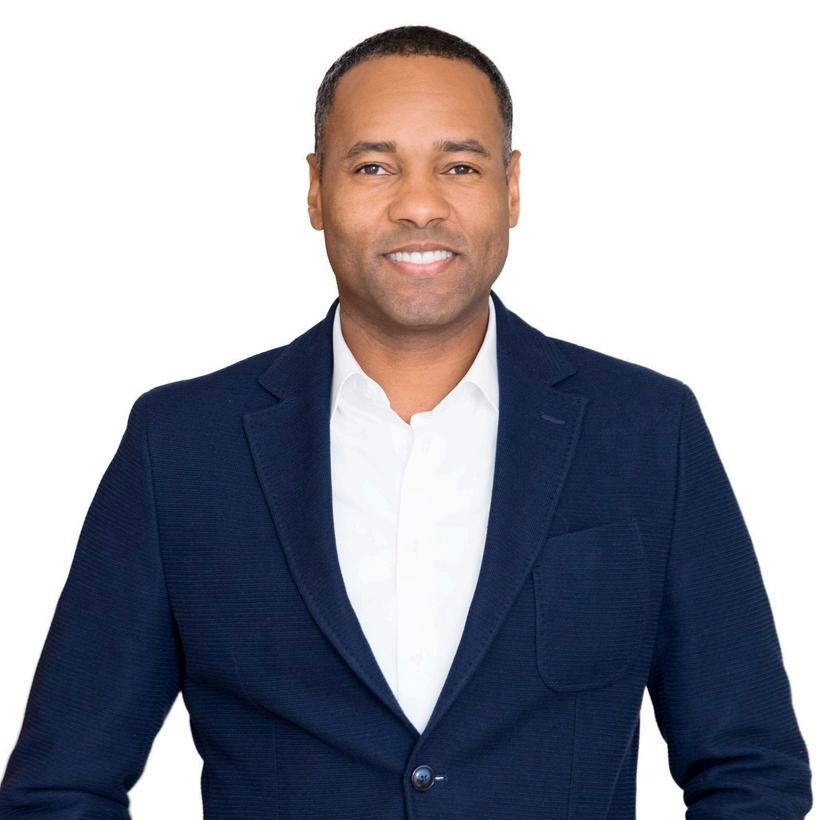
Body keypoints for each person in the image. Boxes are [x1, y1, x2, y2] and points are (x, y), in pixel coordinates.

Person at [0, 24, 812, 820]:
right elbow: (60, 788)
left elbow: (751, 772)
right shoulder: (181, 447)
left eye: (460, 166)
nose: (419, 205)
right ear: (315, 190)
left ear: (512, 188)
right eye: (373, 166)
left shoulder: (648, 434)